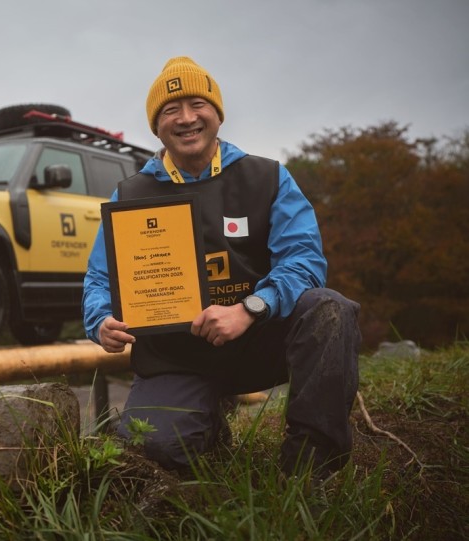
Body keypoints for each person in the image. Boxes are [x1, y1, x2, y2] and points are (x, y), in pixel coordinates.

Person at [82, 56, 361, 478]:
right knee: (152, 447)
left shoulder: (268, 177)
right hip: (177, 356)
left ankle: (311, 463)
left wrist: (249, 308)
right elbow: (100, 277)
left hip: (259, 338)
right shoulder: (131, 194)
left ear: (218, 114)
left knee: (329, 308)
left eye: (198, 105)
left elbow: (304, 261)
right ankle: (206, 423)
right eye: (170, 110)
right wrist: (100, 319)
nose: (186, 118)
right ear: (156, 125)